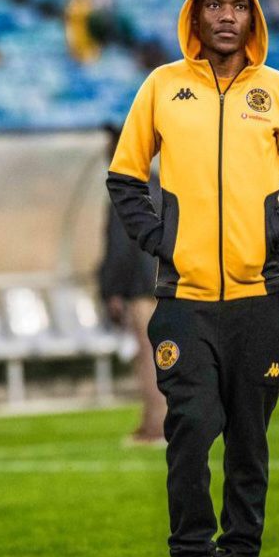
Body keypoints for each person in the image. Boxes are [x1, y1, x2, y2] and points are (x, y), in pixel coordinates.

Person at [107, 0, 279, 557]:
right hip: (184, 301)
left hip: (260, 300)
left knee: (250, 442)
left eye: (239, 7)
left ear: (253, 18)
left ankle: (242, 549)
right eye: (215, 6)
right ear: (195, 16)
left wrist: (274, 231)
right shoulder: (161, 86)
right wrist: (160, 240)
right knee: (192, 427)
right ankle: (191, 549)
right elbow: (124, 176)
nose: (226, 16)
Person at [98, 126, 165, 446]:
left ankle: (156, 425)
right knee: (168, 356)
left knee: (149, 357)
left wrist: (111, 290)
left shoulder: (124, 193)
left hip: (142, 288)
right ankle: (156, 422)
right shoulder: (164, 187)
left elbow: (120, 247)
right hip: (170, 282)